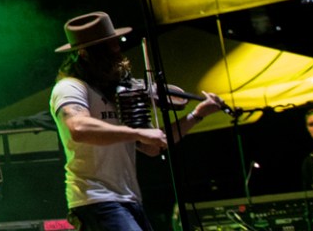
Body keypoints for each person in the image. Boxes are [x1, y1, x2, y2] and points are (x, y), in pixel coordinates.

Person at [50, 12, 223, 231]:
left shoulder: (120, 94)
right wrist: (138, 133)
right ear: (84, 54)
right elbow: (78, 127)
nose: (118, 50)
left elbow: (153, 146)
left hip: (128, 198)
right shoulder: (70, 87)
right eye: (109, 46)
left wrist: (196, 115)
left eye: (116, 43)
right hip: (94, 198)